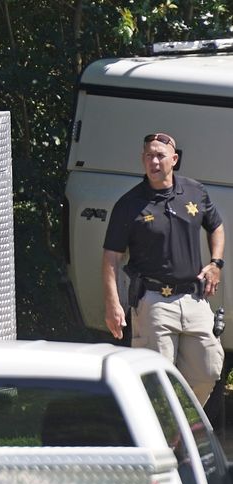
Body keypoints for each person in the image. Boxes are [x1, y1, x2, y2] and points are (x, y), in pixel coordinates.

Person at [102, 132, 225, 404]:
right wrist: (113, 303)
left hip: (195, 299)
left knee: (208, 370)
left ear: (174, 159)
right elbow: (111, 257)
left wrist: (216, 263)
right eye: (149, 155)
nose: (154, 161)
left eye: (160, 155)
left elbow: (216, 225)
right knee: (157, 381)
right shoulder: (129, 204)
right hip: (154, 302)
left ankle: (184, 432)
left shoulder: (194, 191)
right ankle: (162, 439)